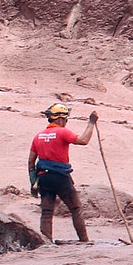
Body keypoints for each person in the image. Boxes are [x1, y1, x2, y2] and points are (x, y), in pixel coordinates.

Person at [28, 103, 97, 243]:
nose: (65, 122)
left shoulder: (38, 136)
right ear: (60, 119)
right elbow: (83, 140)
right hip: (60, 177)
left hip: (43, 177)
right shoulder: (62, 132)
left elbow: (31, 162)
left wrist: (33, 181)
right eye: (66, 119)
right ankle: (84, 240)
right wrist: (91, 123)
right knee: (76, 208)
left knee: (47, 212)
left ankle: (46, 242)